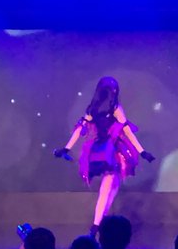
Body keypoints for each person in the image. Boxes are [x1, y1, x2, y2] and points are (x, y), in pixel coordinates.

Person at [53, 76, 155, 236]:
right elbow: (126, 130)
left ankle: (100, 223)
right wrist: (142, 151)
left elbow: (80, 128)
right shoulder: (114, 108)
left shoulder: (93, 108)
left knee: (112, 187)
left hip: (100, 150)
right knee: (107, 188)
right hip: (110, 152)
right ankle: (96, 226)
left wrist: (66, 148)